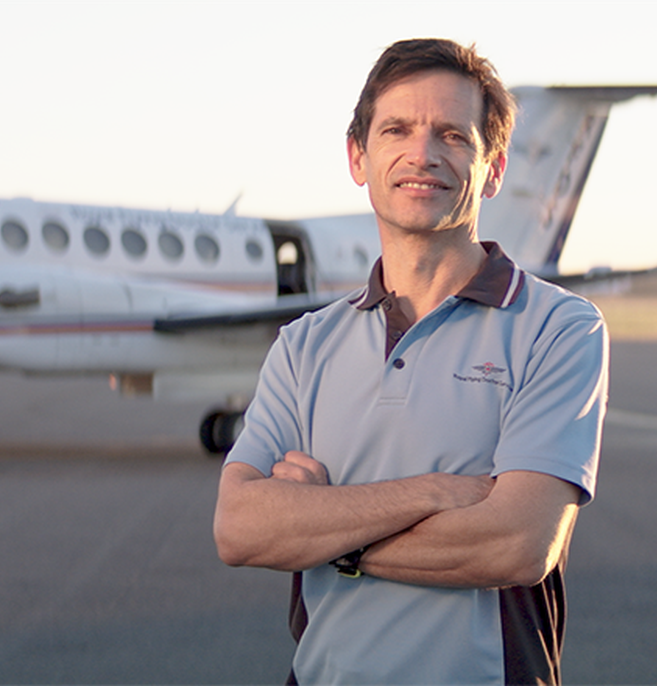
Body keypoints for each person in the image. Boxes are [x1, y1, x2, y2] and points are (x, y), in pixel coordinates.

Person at [214, 38, 608, 686]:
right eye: (396, 130)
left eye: (452, 135)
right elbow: (239, 529)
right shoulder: (304, 344)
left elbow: (515, 543)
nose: (422, 154)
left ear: (493, 169)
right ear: (358, 157)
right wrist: (433, 493)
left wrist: (325, 526)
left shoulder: (558, 328)